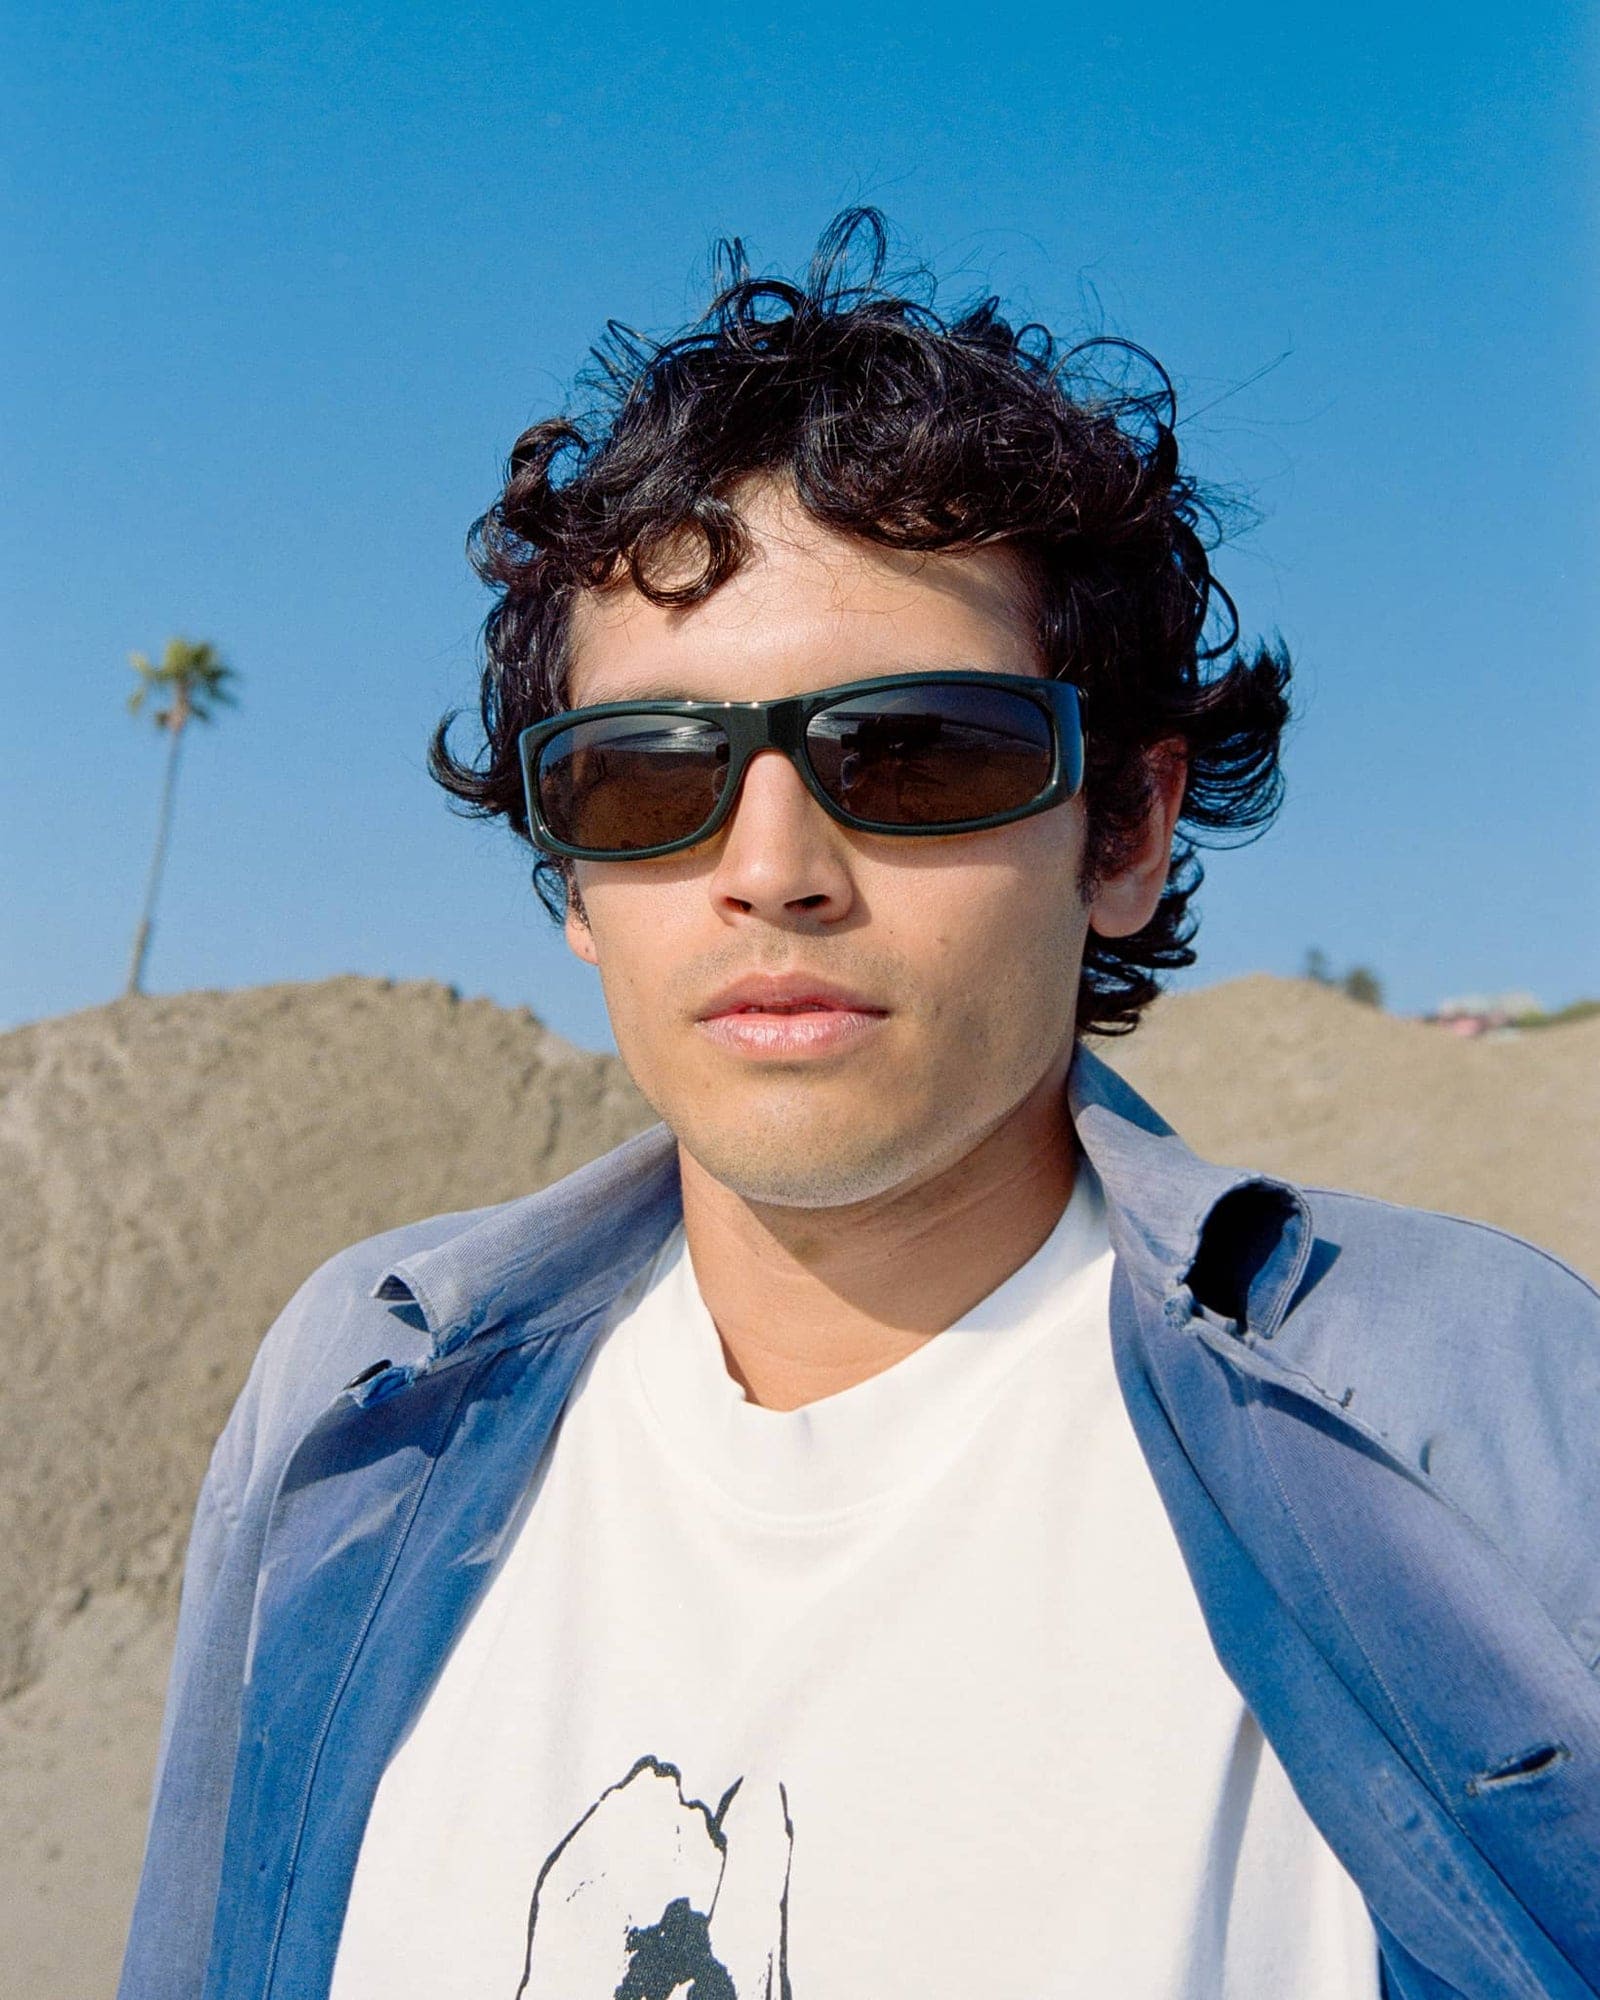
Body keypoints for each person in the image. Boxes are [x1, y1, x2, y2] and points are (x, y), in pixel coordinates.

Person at [119, 212, 1600, 2000]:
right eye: (645, 778)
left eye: (913, 752)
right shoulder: (357, 1403)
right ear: (573, 881)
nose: (771, 869)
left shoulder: (1471, 1412)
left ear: (1122, 829)